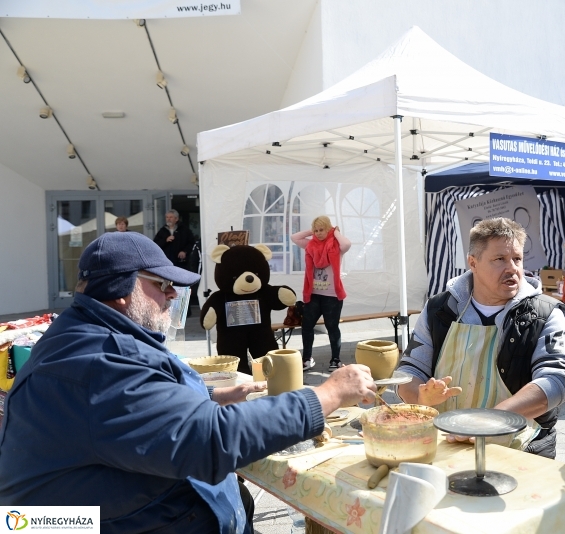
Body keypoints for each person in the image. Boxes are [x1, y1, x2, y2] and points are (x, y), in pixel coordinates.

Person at [0, 231, 376, 534]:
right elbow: (210, 441)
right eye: (163, 285)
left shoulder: (86, 333)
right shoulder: (99, 363)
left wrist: (209, 394)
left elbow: (134, 409)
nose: (171, 296)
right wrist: (326, 394)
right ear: (121, 290)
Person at [397, 217, 565, 458]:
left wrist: (492, 420)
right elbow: (409, 372)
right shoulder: (439, 309)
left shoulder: (547, 313)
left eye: (517, 259)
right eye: (499, 259)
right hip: (445, 444)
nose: (512, 268)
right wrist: (421, 396)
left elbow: (558, 379)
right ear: (473, 262)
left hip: (519, 448)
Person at [291, 216, 351, 372]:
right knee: (307, 326)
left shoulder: (337, 246)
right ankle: (307, 359)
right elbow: (294, 237)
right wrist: (312, 230)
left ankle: (335, 360)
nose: (318, 233)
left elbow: (347, 243)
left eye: (321, 229)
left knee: (332, 327)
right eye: (315, 230)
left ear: (328, 229)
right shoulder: (310, 245)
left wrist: (334, 232)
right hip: (314, 295)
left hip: (332, 296)